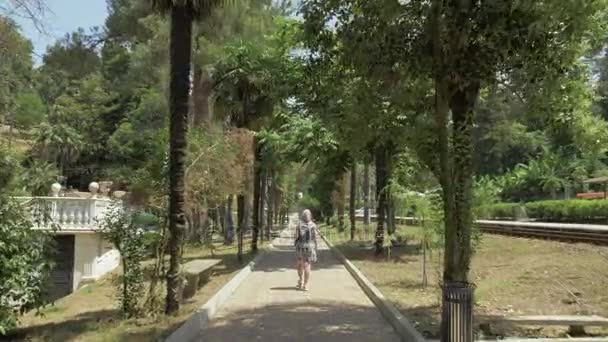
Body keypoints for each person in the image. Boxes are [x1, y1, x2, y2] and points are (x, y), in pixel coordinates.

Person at [294, 209, 318, 291]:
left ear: (302, 216)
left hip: (301, 247)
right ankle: (306, 284)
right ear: (310, 216)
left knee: (300, 265)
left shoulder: (299, 225)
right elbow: (315, 238)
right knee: (307, 265)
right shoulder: (313, 225)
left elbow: (296, 237)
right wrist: (315, 247)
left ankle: (300, 280)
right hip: (310, 247)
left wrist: (296, 245)